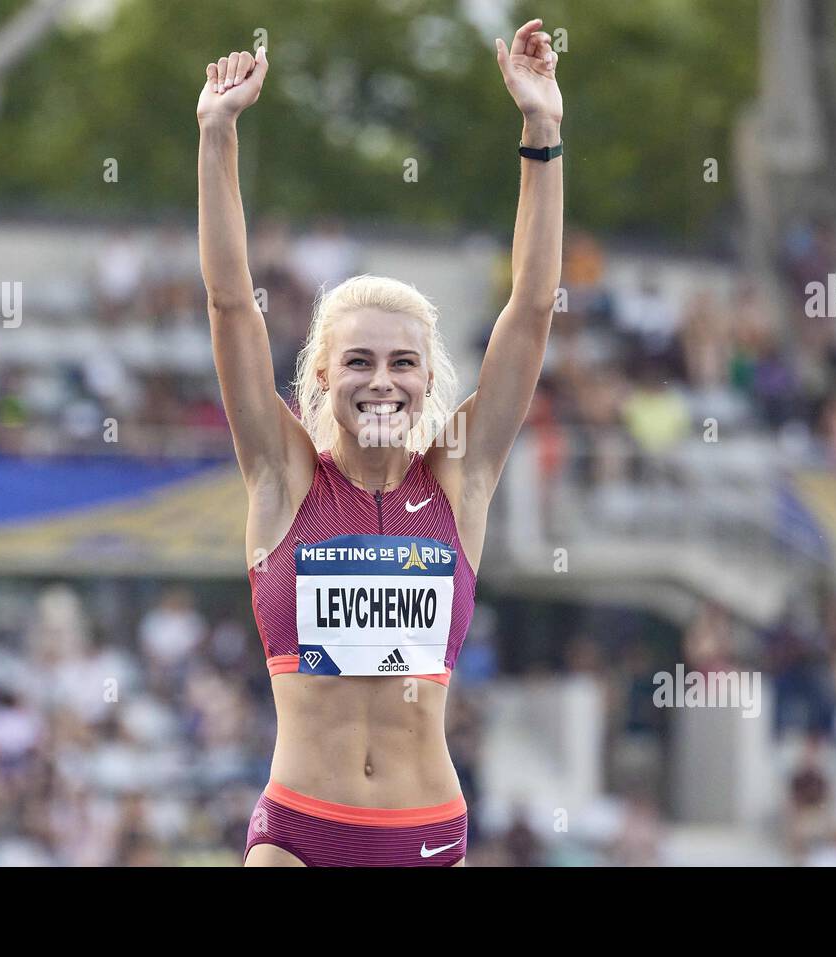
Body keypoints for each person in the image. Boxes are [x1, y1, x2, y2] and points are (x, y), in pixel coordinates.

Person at [197, 20, 563, 866]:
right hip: (298, 832)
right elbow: (229, 307)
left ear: (428, 382)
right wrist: (218, 136)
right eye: (358, 361)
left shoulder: (460, 481)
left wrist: (540, 133)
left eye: (404, 363)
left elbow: (533, 311)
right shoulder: (281, 476)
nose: (382, 380)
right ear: (322, 378)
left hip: (425, 834)